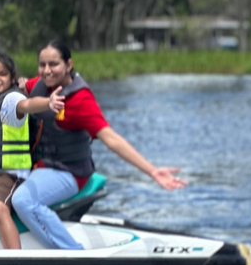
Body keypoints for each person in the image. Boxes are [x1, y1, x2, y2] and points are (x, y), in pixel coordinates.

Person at [11, 40, 188, 250]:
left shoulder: (80, 100)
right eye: (42, 65)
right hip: (41, 167)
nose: (47, 71)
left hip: (69, 173)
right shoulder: (42, 85)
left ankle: (73, 253)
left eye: (54, 64)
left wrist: (152, 171)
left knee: (23, 200)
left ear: (69, 65)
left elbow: (111, 139)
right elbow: (19, 88)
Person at [0, 53, 59, 249]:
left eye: (2, 74)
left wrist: (47, 103)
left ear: (12, 78)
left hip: (11, 173)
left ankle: (15, 258)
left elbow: (28, 105)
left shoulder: (12, 99)